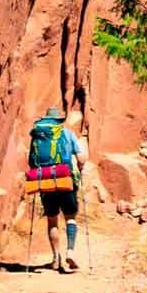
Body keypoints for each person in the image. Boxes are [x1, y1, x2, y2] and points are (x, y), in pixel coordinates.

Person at [27, 105, 89, 273]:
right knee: (70, 217)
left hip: (45, 181)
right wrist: (81, 167)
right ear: (59, 120)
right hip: (65, 178)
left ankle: (56, 257)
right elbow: (81, 157)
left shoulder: (38, 135)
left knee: (52, 220)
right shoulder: (67, 133)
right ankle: (70, 251)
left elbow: (31, 161)